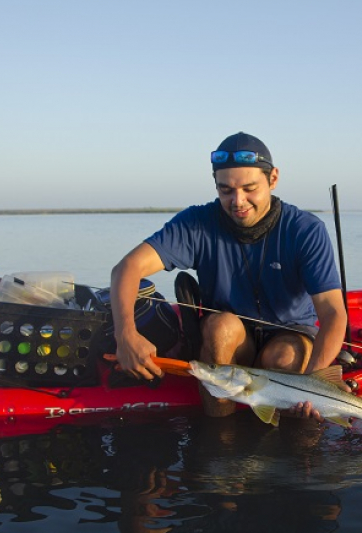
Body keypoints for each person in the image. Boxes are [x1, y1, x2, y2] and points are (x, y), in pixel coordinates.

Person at [110, 132, 348, 418]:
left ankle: (291, 444)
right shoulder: (196, 223)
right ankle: (220, 439)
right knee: (222, 328)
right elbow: (127, 268)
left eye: (250, 188)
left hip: (291, 335)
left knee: (283, 357)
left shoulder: (305, 230)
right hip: (231, 339)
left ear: (273, 179)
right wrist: (126, 335)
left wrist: (315, 382)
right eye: (225, 191)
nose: (237, 201)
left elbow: (334, 312)